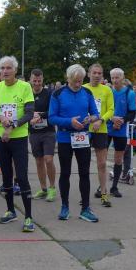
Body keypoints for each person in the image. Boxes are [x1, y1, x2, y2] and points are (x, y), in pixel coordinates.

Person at [0, 56, 36, 232]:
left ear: (15, 70)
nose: (5, 71)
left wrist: (13, 125)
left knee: (21, 177)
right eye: (2, 68)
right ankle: (10, 211)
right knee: (6, 176)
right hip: (1, 138)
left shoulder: (25, 87)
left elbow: (29, 113)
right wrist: (0, 118)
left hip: (18, 138)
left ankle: (28, 217)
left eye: (9, 68)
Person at [48, 64, 100, 222]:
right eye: (75, 81)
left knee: (85, 173)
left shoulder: (87, 92)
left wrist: (91, 118)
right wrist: (69, 121)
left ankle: (85, 208)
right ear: (68, 78)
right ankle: (65, 207)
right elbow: (52, 117)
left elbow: (95, 113)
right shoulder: (58, 93)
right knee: (65, 173)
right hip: (65, 138)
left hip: (82, 137)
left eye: (80, 81)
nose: (78, 84)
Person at [83, 64, 115, 207]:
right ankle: (84, 195)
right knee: (84, 164)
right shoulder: (83, 89)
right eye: (94, 73)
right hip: (84, 130)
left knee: (102, 164)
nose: (97, 75)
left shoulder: (107, 90)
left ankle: (104, 194)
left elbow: (111, 110)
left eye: (99, 73)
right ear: (88, 74)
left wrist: (101, 120)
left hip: (100, 130)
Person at [28, 69, 56, 201]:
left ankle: (52, 188)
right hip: (34, 132)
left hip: (48, 131)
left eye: (39, 81)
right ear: (30, 80)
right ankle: (43, 189)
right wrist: (30, 118)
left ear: (42, 80)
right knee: (39, 161)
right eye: (34, 81)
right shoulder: (27, 93)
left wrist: (40, 115)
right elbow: (23, 111)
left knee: (48, 159)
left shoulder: (49, 94)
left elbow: (53, 111)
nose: (37, 83)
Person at [108, 68, 135, 197]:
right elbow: (103, 110)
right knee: (102, 159)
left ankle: (114, 187)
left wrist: (121, 120)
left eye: (117, 77)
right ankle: (101, 187)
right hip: (107, 128)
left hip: (121, 129)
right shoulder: (108, 91)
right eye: (112, 78)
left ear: (122, 78)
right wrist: (112, 119)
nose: (115, 80)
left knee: (118, 159)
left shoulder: (129, 93)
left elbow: (132, 113)